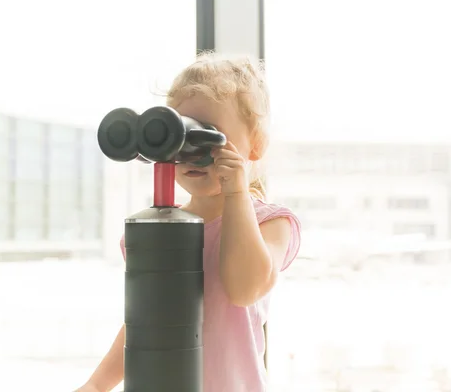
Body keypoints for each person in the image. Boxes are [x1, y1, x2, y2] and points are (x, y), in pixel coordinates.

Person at [75, 52, 301, 392]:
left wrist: (236, 193)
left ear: (254, 144)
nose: (190, 151)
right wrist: (96, 386)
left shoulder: (270, 223)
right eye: (180, 134)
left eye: (207, 135)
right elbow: (146, 323)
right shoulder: (159, 230)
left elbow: (243, 289)